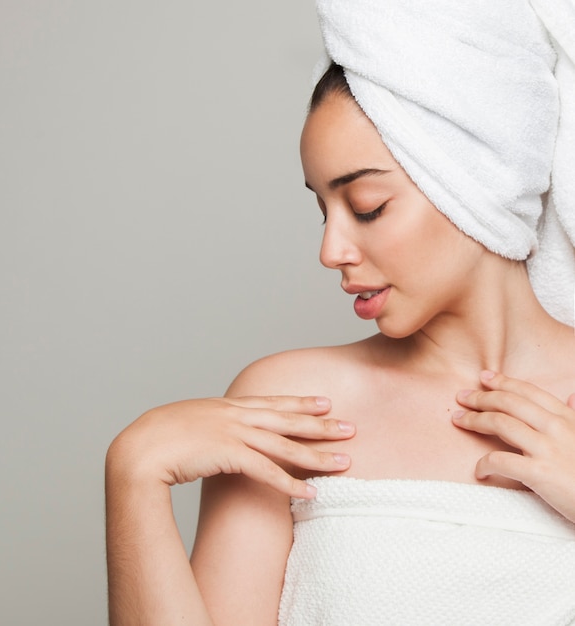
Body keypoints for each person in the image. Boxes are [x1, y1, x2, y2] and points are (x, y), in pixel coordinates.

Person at [106, 2, 575, 624]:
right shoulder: (292, 410)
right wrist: (133, 474)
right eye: (322, 210)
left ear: (477, 181)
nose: (331, 251)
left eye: (368, 205)